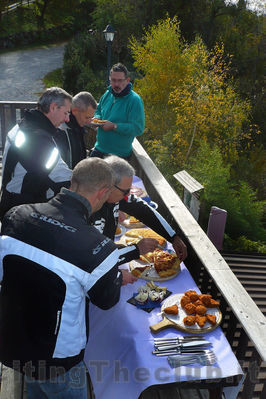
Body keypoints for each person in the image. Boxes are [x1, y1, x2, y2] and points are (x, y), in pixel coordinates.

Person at [0, 157, 158, 398]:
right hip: (57, 359)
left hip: (13, 342)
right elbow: (106, 300)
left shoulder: (15, 215)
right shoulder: (99, 248)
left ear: (72, 181)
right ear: (105, 193)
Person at [90, 155, 187, 263]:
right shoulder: (89, 211)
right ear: (109, 186)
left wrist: (173, 237)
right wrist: (136, 250)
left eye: (129, 191)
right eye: (125, 191)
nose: (127, 196)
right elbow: (94, 259)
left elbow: (143, 210)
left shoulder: (113, 195)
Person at [0, 87, 73, 221]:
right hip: (22, 210)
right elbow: (62, 177)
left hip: (10, 201)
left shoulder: (23, 124)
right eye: (66, 113)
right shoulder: (39, 139)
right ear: (53, 107)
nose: (67, 119)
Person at [90, 63, 145, 160]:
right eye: (113, 80)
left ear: (127, 80)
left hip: (119, 156)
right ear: (109, 79)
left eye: (120, 81)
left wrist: (114, 126)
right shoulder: (108, 93)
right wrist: (97, 117)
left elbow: (138, 128)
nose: (116, 84)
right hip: (99, 149)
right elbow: (98, 109)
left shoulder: (135, 100)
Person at [57, 91, 97, 169]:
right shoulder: (62, 130)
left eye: (91, 117)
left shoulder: (78, 127)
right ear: (75, 111)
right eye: (87, 117)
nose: (89, 122)